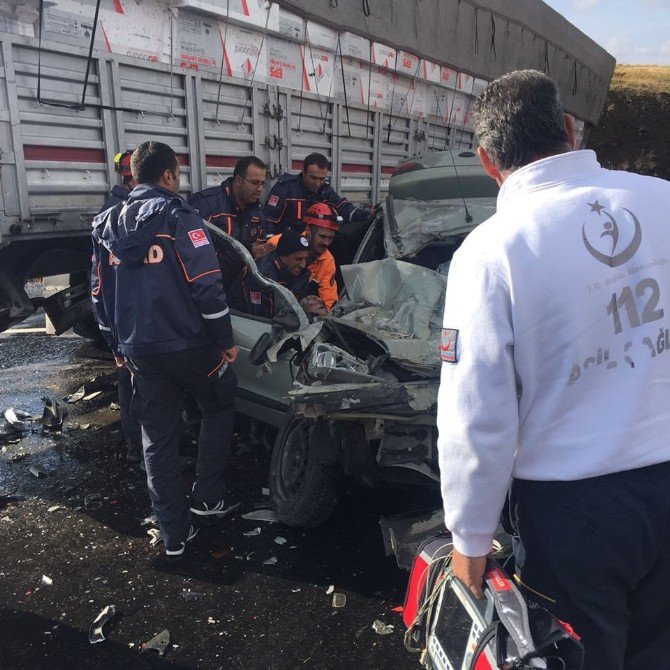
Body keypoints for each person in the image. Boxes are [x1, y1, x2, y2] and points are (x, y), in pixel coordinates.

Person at [436, 69, 670, 670]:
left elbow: (477, 418)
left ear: (488, 160)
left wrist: (468, 540)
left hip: (576, 513)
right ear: (569, 130)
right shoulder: (662, 200)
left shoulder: (491, 252)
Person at [95, 141, 239, 559]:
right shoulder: (180, 216)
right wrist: (225, 340)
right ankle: (207, 498)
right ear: (170, 175)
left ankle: (173, 534)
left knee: (157, 436)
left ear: (134, 176)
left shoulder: (105, 225)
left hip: (138, 348)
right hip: (190, 345)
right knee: (218, 405)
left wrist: (114, 344)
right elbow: (207, 283)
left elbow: (98, 290)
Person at [91, 149, 142, 464]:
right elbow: (99, 283)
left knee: (137, 386)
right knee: (136, 387)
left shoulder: (115, 211)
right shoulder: (119, 215)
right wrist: (112, 339)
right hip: (131, 325)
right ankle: (138, 447)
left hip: (126, 323)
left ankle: (138, 446)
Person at [262, 152, 370, 234]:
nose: (317, 183)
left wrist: (368, 215)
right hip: (289, 249)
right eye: (313, 178)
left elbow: (343, 207)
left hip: (315, 247)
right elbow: (268, 220)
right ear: (303, 172)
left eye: (321, 178)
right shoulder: (285, 188)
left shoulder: (325, 190)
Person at [229, 229, 325, 318]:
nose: (303, 265)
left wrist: (307, 303)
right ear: (283, 256)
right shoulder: (260, 277)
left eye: (305, 258)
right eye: (298, 259)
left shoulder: (301, 273)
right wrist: (308, 314)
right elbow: (267, 321)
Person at [188, 156, 270, 259]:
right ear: (239, 181)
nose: (260, 189)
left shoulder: (256, 210)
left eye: (263, 184)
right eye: (255, 183)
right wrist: (248, 254)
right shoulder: (206, 204)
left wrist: (257, 252)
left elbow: (259, 245)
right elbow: (198, 254)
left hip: (244, 273)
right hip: (214, 273)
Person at [266, 202, 341, 311]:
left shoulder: (327, 260)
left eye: (330, 238)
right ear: (309, 230)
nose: (326, 243)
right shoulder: (277, 243)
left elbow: (329, 301)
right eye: (322, 236)